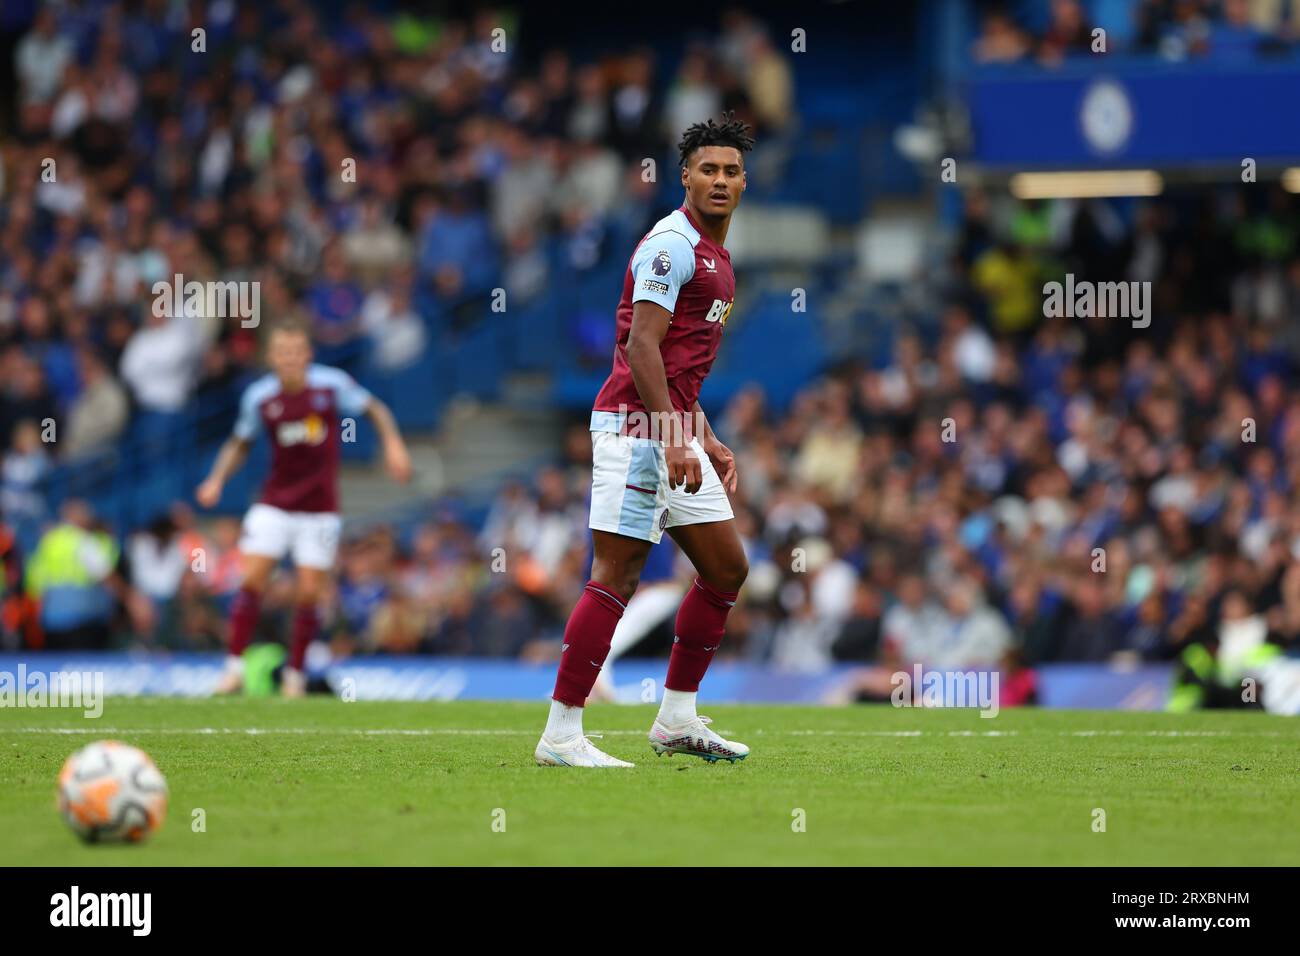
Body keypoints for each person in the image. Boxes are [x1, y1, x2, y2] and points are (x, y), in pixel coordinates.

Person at [534, 113, 753, 767]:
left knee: (726, 568)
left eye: (731, 171)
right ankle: (562, 734)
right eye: (707, 169)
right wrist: (672, 436)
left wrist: (703, 435)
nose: (719, 180)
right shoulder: (671, 246)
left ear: (745, 182)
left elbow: (679, 368)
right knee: (618, 574)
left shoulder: (717, 256)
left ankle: (676, 718)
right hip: (634, 430)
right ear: (684, 175)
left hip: (671, 428)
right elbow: (641, 346)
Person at [195, 321, 412, 697]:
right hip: (274, 504)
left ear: (308, 355)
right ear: (272, 357)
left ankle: (294, 677)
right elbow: (240, 442)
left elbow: (374, 408)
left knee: (309, 592)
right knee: (251, 580)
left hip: (319, 509)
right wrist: (216, 479)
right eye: (284, 352)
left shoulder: (331, 385)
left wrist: (394, 445)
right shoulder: (259, 397)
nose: (291, 359)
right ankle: (233, 669)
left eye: (297, 352)